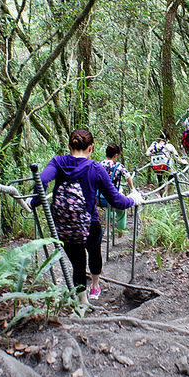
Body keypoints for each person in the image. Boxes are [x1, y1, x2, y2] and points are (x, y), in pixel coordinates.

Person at [32, 129, 144, 305]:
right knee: (94, 254)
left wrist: (35, 201)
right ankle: (95, 285)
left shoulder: (58, 162)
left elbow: (42, 180)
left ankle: (82, 301)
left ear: (69, 147)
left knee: (77, 263)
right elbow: (116, 200)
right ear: (91, 148)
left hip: (65, 225)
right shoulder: (96, 168)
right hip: (89, 223)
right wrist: (133, 199)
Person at [99, 143, 136, 237]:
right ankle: (120, 233)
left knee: (108, 211)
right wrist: (132, 189)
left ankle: (107, 231)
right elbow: (128, 176)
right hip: (115, 196)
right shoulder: (119, 166)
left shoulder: (100, 164)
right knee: (121, 211)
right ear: (116, 155)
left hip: (102, 197)